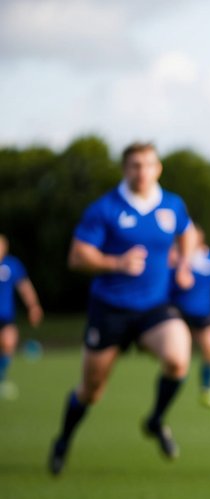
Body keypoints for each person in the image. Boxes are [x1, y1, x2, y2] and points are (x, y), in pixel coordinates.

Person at [48, 142, 197, 475]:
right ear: (124, 169)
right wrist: (116, 262)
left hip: (153, 309)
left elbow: (186, 232)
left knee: (178, 358)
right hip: (110, 309)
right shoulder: (105, 209)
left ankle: (155, 421)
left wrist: (184, 264)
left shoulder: (172, 205)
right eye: (134, 165)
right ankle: (63, 440)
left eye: (148, 165)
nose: (142, 172)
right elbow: (77, 256)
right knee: (91, 391)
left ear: (158, 168)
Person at [170, 229, 210, 409]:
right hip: (176, 313)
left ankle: (206, 387)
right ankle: (173, 386)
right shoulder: (174, 256)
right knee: (178, 355)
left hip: (203, 313)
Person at [0, 234, 44, 400]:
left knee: (8, 344)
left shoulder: (12, 265)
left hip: (6, 316)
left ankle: (1, 378)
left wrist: (33, 306)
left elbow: (24, 287)